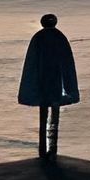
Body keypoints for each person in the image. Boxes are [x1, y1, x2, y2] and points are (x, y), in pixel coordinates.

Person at [17, 13, 79, 159]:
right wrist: (69, 86)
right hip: (56, 82)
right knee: (54, 117)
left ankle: (43, 148)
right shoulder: (60, 37)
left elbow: (31, 64)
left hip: (42, 81)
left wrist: (30, 86)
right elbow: (67, 64)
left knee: (43, 115)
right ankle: (52, 148)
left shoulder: (38, 38)